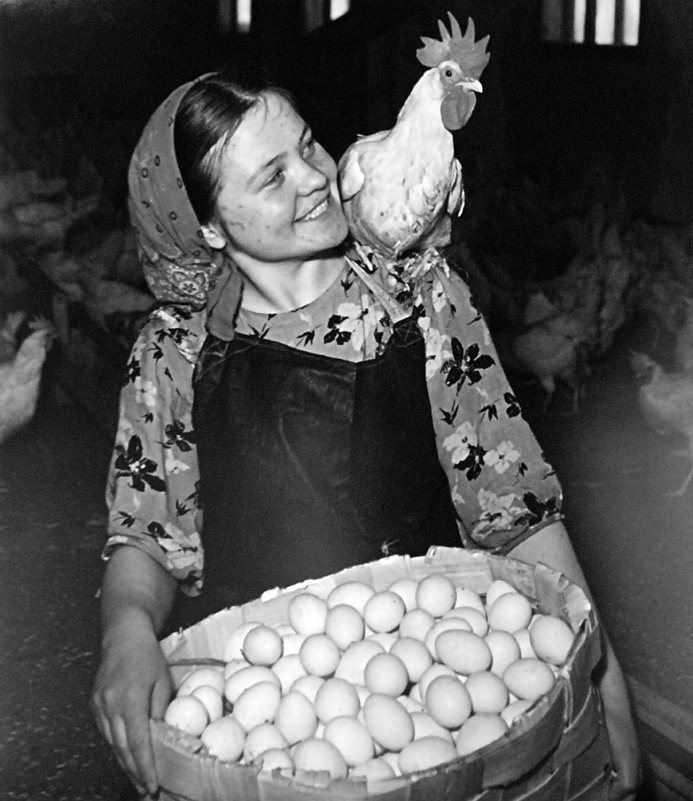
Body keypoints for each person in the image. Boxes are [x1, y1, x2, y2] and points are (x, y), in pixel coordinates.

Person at [91, 69, 640, 800]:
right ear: (210, 226)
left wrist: (602, 680)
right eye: (272, 175)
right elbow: (147, 532)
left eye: (309, 143)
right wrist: (126, 630)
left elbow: (513, 506)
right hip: (283, 711)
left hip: (440, 679)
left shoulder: (416, 296)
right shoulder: (176, 352)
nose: (317, 177)